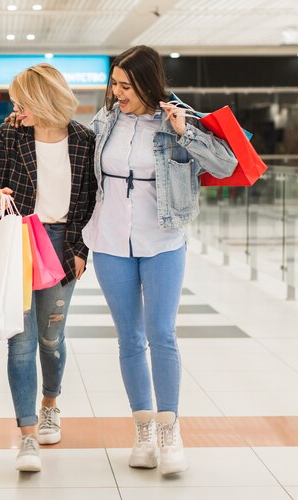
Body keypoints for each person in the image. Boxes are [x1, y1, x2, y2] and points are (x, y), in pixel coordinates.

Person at [82, 46, 237, 475]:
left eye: (126, 86)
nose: (117, 93)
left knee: (161, 334)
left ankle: (170, 428)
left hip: (164, 239)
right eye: (114, 84)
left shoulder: (177, 117)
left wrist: (185, 132)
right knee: (129, 338)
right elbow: (77, 155)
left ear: (148, 83)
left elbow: (226, 166)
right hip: (111, 241)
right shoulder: (105, 121)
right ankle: (143, 430)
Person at [0, 63, 97, 472]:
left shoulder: (84, 140)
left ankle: (51, 404)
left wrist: (81, 249)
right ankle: (28, 435)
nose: (16, 108)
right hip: (20, 243)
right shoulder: (13, 135)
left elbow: (89, 202)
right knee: (20, 341)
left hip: (62, 246)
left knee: (50, 339)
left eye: (21, 101)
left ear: (42, 99)